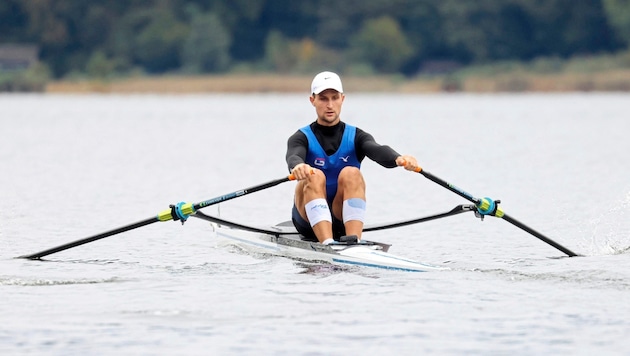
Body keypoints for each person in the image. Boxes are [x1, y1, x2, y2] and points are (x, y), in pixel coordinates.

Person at [286, 71, 420, 245]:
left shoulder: (357, 136)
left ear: (343, 99)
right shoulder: (301, 137)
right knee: (314, 174)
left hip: (340, 215)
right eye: (323, 99)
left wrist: (399, 158)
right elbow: (294, 155)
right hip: (307, 221)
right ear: (313, 101)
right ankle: (327, 243)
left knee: (351, 172)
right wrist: (297, 166)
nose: (330, 105)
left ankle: (354, 244)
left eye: (335, 98)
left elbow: (376, 149)